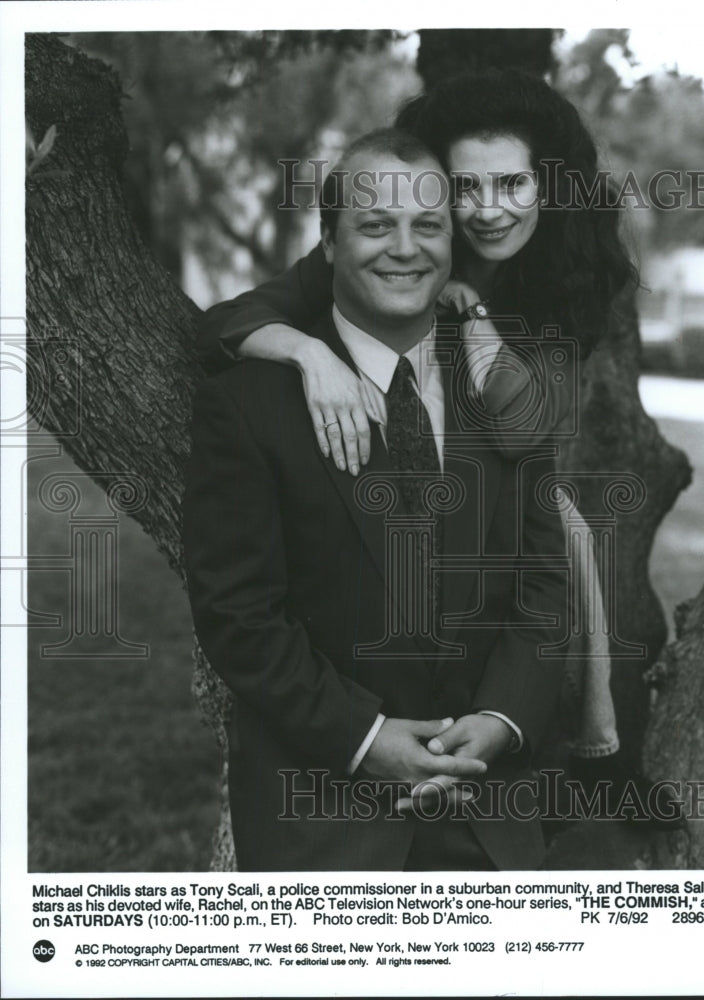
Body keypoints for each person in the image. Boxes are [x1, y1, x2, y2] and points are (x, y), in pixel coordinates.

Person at [197, 68, 636, 776]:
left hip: (498, 467)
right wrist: (311, 354)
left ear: (547, 185)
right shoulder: (403, 238)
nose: (487, 210)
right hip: (352, 449)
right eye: (464, 188)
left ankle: (584, 751)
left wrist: (478, 331)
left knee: (562, 550)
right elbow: (227, 320)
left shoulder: (572, 270)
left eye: (511, 185)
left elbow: (527, 429)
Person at [183, 129, 569, 871]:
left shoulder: (504, 388)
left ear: (453, 241)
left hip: (491, 809)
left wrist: (499, 719)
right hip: (325, 816)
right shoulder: (247, 405)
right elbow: (239, 614)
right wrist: (365, 739)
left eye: (427, 225)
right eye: (373, 225)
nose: (404, 247)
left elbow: (544, 587)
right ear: (327, 243)